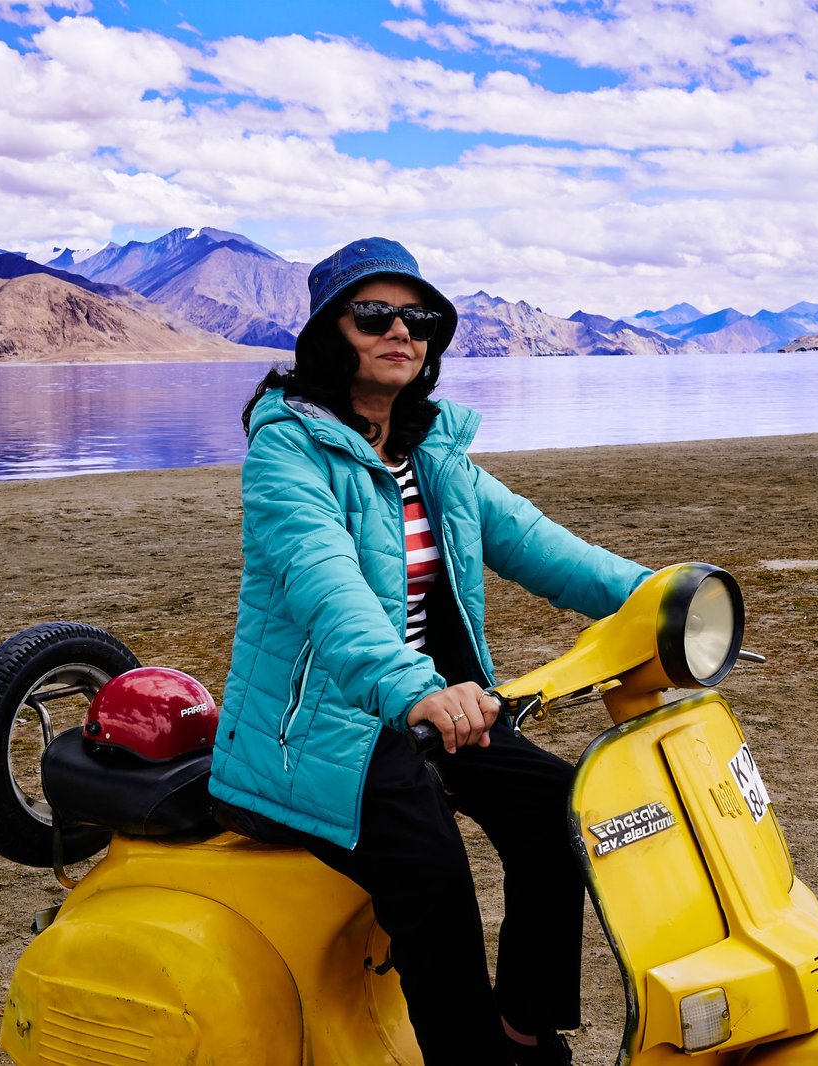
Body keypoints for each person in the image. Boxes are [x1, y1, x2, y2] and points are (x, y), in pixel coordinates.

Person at [208, 237, 651, 1066]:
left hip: (421, 710)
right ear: (327, 333)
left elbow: (535, 542)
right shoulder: (287, 450)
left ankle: (524, 1032)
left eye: (419, 318)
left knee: (562, 810)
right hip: (316, 732)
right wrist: (416, 687)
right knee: (434, 874)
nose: (400, 331)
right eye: (373, 313)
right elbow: (324, 585)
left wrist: (658, 595)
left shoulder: (430, 449)